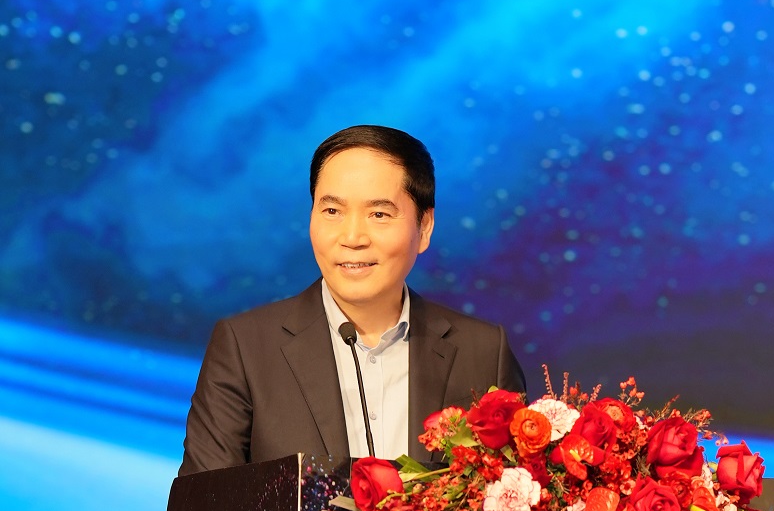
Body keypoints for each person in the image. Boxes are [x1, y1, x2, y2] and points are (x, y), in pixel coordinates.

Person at [179, 125, 526, 474]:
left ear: (424, 227)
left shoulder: (483, 352)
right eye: (332, 211)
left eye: (379, 214)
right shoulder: (245, 349)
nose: (352, 237)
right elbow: (204, 504)